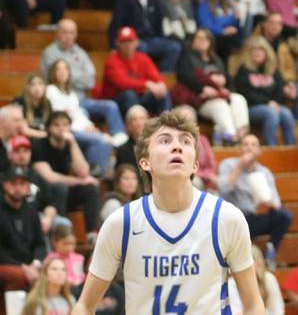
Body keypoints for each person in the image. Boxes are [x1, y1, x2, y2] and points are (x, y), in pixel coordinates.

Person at [74, 111, 264, 314]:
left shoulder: (226, 219)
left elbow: (253, 305)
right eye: (165, 141)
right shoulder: (121, 223)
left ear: (195, 166)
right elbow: (84, 306)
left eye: (185, 142)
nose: (177, 146)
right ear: (145, 162)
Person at [41, 19, 126, 141]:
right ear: (57, 33)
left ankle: (120, 139)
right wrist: (76, 74)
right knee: (82, 114)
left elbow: (90, 80)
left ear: (75, 35)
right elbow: (55, 77)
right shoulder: (49, 53)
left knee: (111, 106)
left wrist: (71, 74)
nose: (68, 36)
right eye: (64, 32)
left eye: (71, 32)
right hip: (62, 101)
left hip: (82, 98)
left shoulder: (80, 52)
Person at [31, 112, 101, 239]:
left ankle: (91, 234)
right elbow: (49, 177)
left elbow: (83, 172)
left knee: (91, 189)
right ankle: (61, 233)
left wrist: (73, 143)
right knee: (60, 187)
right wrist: (80, 181)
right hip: (45, 195)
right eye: (56, 125)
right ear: (49, 128)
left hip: (65, 193)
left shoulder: (70, 144)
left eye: (65, 124)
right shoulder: (39, 145)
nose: (61, 128)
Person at [173, 28, 249, 144]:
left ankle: (242, 135)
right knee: (221, 105)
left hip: (219, 94)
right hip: (200, 98)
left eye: (205, 38)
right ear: (193, 41)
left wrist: (224, 81)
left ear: (210, 42)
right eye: (198, 38)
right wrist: (203, 88)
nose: (202, 41)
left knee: (239, 99)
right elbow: (184, 78)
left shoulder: (217, 59)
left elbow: (228, 79)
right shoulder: (186, 58)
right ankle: (232, 138)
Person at [217, 134, 293, 250]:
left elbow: (276, 203)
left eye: (253, 145)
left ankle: (269, 252)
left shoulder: (264, 172)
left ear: (259, 151)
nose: (249, 147)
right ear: (240, 149)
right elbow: (222, 189)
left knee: (285, 216)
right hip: (235, 219)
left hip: (257, 218)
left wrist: (268, 205)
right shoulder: (228, 165)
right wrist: (239, 167)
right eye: (245, 144)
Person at [45, 59, 115, 175]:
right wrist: (84, 128)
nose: (62, 72)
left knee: (106, 139)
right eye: (58, 69)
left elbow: (78, 114)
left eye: (65, 69)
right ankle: (96, 175)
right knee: (99, 140)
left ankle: (97, 174)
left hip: (77, 128)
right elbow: (62, 117)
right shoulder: (50, 90)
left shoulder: (71, 94)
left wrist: (89, 126)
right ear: (53, 72)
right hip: (65, 129)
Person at [108, 0, 182, 72]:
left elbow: (159, 21)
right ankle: (142, 78)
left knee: (175, 47)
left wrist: (160, 37)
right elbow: (116, 23)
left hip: (152, 39)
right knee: (141, 49)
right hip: (134, 40)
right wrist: (113, 46)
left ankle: (165, 77)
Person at [235, 36, 296, 146]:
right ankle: (271, 147)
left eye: (261, 49)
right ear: (249, 53)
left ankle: (291, 148)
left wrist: (276, 101)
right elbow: (245, 93)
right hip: (251, 108)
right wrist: (267, 102)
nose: (257, 52)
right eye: (255, 49)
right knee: (271, 113)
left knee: (287, 114)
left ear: (267, 52)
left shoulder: (273, 70)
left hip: (272, 105)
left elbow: (279, 90)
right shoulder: (243, 70)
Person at [0, 166, 46, 307]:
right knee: (19, 276)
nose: (18, 188)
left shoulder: (31, 211)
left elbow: (40, 244)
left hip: (29, 265)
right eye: (13, 184)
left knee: (54, 274)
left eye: (22, 184)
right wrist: (23, 268)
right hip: (5, 264)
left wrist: (36, 263)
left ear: (27, 187)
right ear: (4, 185)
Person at [100, 26, 172, 115]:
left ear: (136, 42)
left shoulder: (143, 58)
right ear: (117, 43)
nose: (127, 45)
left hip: (139, 98)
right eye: (123, 42)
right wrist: (146, 84)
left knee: (162, 93)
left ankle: (166, 123)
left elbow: (156, 76)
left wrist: (160, 84)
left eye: (130, 41)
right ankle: (135, 124)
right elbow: (123, 83)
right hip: (116, 101)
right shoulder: (112, 60)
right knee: (129, 94)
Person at [196, 0, 242, 64]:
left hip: (230, 36)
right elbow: (205, 25)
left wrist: (237, 19)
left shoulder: (228, 4)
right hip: (215, 37)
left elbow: (234, 24)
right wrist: (222, 31)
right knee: (227, 44)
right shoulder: (203, 6)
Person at [45, 225, 84, 290]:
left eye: (72, 244)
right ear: (55, 242)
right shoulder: (50, 259)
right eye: (65, 244)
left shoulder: (79, 258)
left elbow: (80, 277)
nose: (69, 248)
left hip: (76, 290)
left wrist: (77, 282)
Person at [114, 104, 148, 169]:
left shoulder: (155, 146)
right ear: (128, 125)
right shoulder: (122, 151)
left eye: (142, 118)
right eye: (134, 120)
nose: (139, 123)